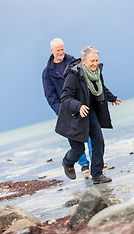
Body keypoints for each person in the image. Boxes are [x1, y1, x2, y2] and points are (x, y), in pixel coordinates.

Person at [55, 45, 121, 184]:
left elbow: (101, 88)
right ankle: (67, 163)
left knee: (99, 142)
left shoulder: (96, 72)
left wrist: (112, 98)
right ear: (83, 61)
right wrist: (78, 106)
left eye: (97, 60)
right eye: (92, 61)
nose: (95, 64)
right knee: (78, 150)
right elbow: (65, 98)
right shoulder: (74, 75)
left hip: (89, 113)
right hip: (74, 116)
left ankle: (97, 175)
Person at [42, 38, 92, 173]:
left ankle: (96, 161)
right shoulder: (47, 72)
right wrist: (60, 111)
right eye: (58, 50)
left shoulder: (74, 62)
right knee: (77, 138)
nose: (61, 52)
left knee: (91, 133)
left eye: (62, 49)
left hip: (83, 104)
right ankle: (84, 165)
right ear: (52, 51)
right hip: (67, 110)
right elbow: (50, 96)